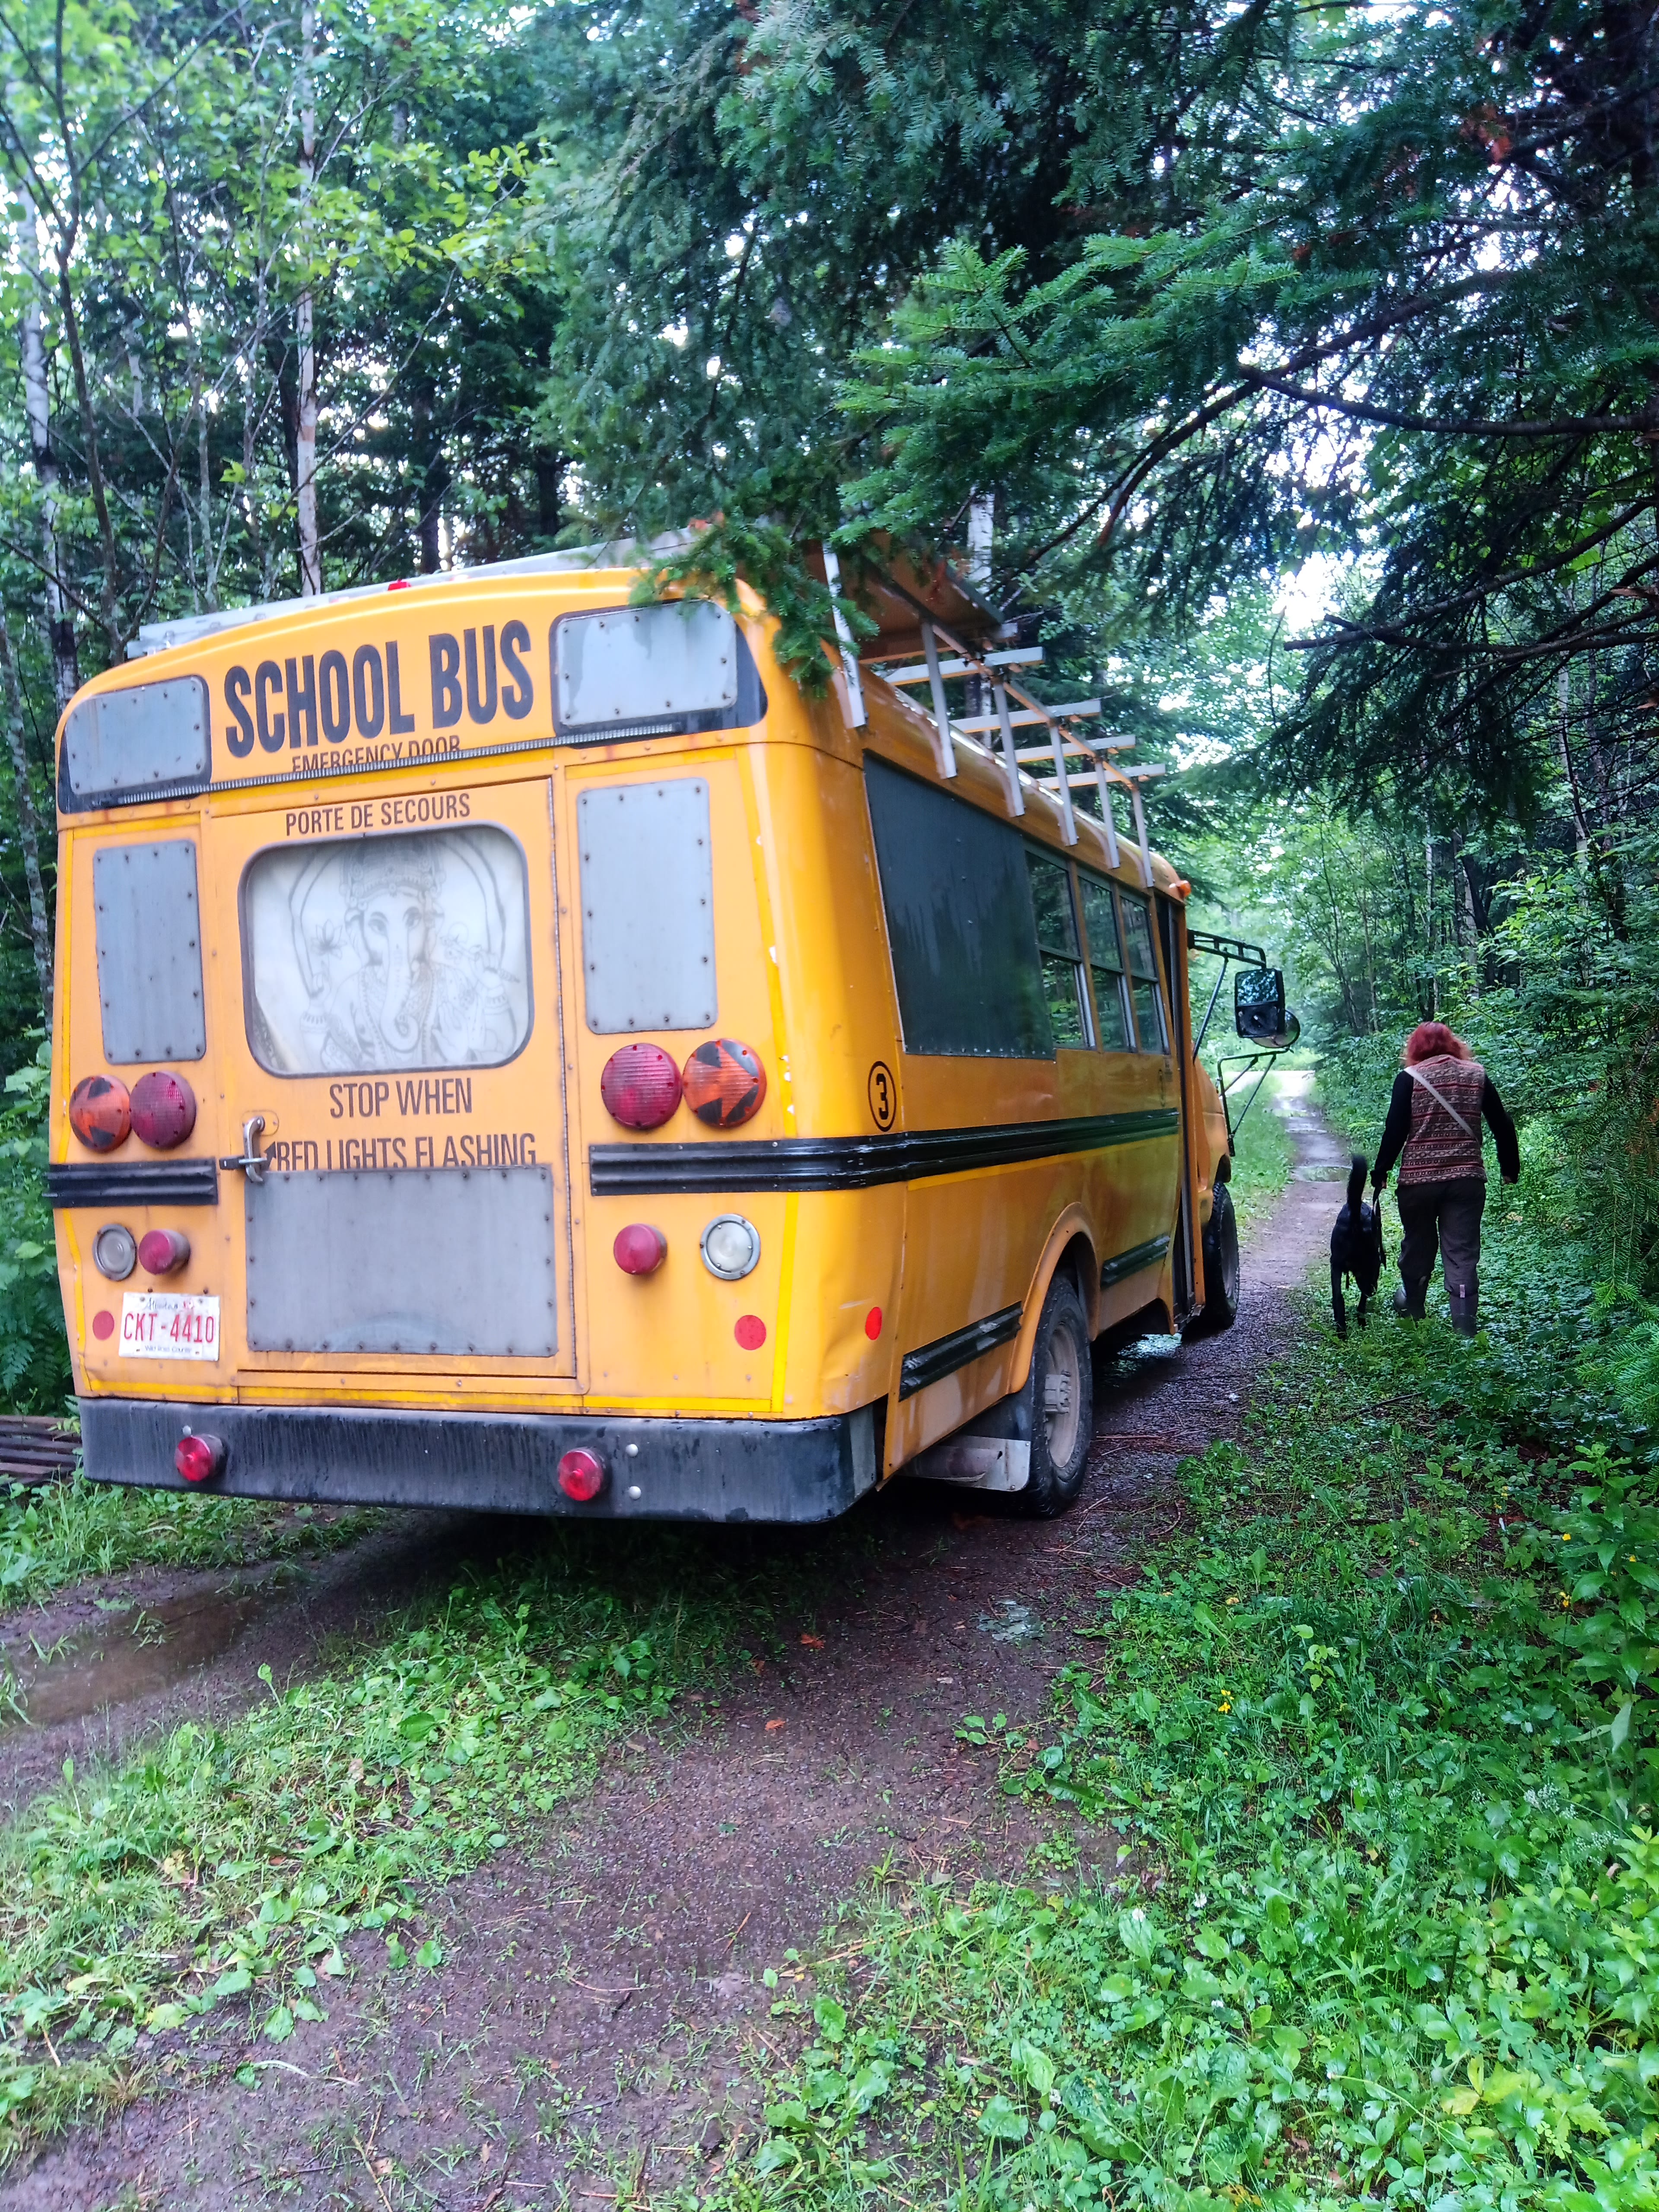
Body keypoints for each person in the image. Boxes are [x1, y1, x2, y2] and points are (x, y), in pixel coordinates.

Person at [1370, 1021, 1519, 1337]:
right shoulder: (1476, 1075)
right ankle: (1465, 1328)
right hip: (1466, 1180)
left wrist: (1381, 1171)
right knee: (1462, 1252)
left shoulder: (1409, 1079)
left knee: (1418, 1246)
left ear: (1415, 1049)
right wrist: (1510, 1168)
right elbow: (1503, 1125)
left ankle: (1415, 1314)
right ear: (1454, 1044)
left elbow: (1395, 1131)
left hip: (1418, 1185)